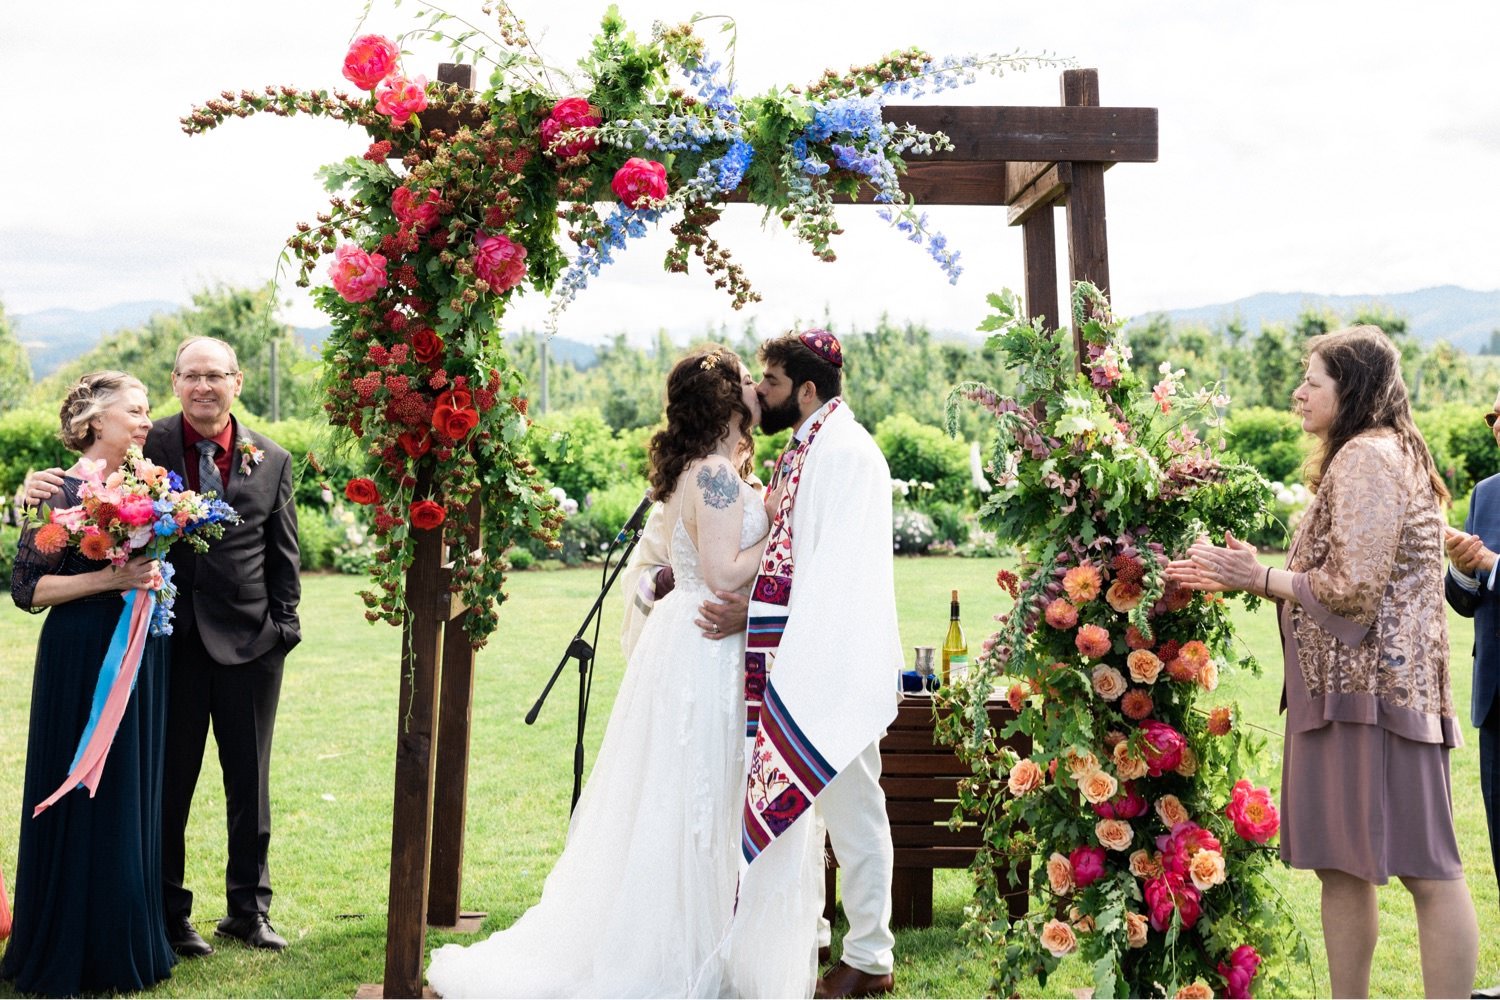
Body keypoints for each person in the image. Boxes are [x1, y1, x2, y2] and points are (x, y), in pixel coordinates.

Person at [426, 346, 768, 998]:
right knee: (698, 792)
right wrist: (776, 525)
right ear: (725, 400)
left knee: (679, 793)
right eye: (746, 383)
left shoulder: (700, 471)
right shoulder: (718, 477)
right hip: (705, 643)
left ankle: (709, 936)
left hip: (685, 640)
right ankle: (689, 949)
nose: (756, 392)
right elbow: (724, 573)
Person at [1167, 325, 1478, 999]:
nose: (1298, 391)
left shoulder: (1367, 456)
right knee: (1343, 867)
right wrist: (1249, 571)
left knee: (1428, 869)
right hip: (1352, 694)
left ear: (1354, 389)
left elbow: (1354, 589)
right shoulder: (1377, 453)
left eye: (1314, 379)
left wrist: (1260, 577)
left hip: (1376, 696)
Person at [26, 336, 301, 956]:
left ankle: (248, 911)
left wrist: (284, 630)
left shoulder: (274, 459)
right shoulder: (146, 444)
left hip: (253, 644)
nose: (204, 387)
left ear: (237, 380)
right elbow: (82, 478)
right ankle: (171, 914)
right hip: (166, 645)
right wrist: (32, 482)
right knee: (166, 781)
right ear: (176, 382)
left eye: (215, 376)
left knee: (250, 782)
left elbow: (285, 555)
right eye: (191, 376)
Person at [707, 330, 903, 1000]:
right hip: (805, 655)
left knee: (853, 813)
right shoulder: (809, 447)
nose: (760, 392)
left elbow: (835, 576)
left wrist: (754, 617)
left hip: (833, 661)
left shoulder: (846, 454)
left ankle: (871, 958)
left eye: (771, 382)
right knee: (805, 812)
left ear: (808, 390)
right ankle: (811, 937)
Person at [1, 372, 177, 996]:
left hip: (140, 653)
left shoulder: (147, 485)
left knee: (128, 786)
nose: (145, 421)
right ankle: (72, 943)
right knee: (82, 791)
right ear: (95, 421)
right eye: (134, 411)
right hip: (83, 659)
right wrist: (110, 582)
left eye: (147, 410)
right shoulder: (58, 490)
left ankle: (126, 937)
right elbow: (28, 590)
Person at [1442, 385, 1500, 1000]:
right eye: (1495, 417)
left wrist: (1492, 564)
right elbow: (1465, 600)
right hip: (1496, 695)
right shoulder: (1486, 492)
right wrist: (1462, 565)